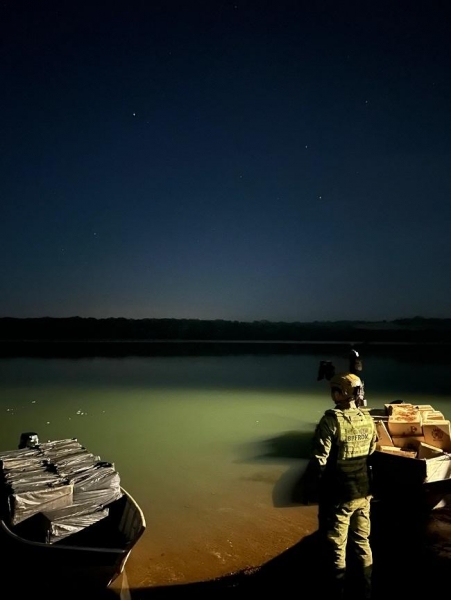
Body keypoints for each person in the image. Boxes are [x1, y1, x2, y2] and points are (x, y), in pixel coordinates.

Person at [303, 372, 377, 599]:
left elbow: (319, 460)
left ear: (340, 393)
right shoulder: (367, 418)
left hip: (340, 495)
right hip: (363, 492)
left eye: (334, 389)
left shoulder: (331, 420)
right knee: (362, 541)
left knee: (336, 546)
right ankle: (365, 589)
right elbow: (372, 450)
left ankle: (336, 593)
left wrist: (310, 486)